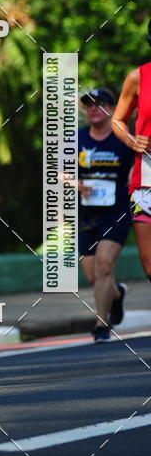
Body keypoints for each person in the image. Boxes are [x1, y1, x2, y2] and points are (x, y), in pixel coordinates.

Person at [78, 88, 133, 342]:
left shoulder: (123, 140)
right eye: (88, 104)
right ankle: (118, 294)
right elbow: (57, 170)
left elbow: (141, 168)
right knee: (93, 274)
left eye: (99, 104)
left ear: (111, 109)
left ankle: (101, 324)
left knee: (104, 266)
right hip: (86, 213)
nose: (93, 108)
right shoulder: (76, 139)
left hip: (117, 211)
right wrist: (75, 184)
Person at [112, 34, 151, 305]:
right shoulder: (138, 77)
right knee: (149, 265)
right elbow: (117, 120)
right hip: (145, 183)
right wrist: (132, 140)